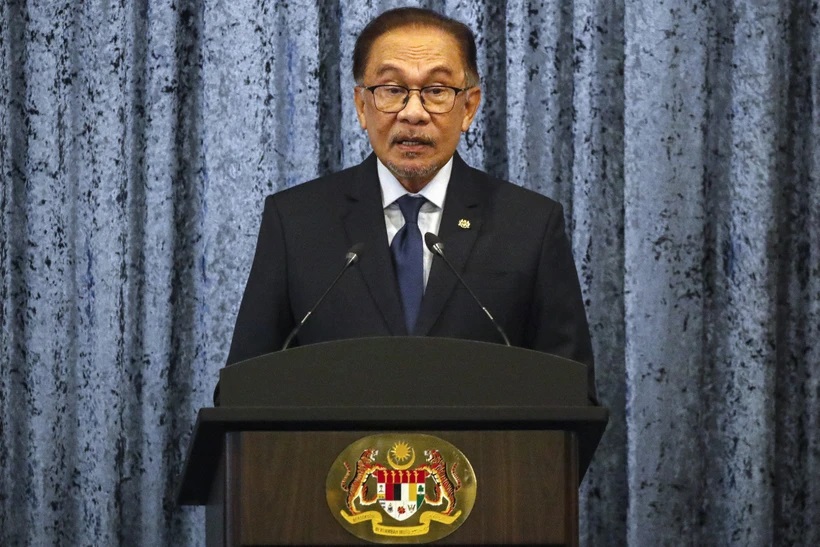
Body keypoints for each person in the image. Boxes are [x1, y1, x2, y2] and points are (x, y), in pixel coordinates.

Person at [225, 7, 596, 402]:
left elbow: (572, 397)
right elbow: (242, 393)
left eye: (436, 91)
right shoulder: (296, 222)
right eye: (392, 89)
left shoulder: (530, 225)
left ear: (469, 107)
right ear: (361, 105)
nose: (413, 113)